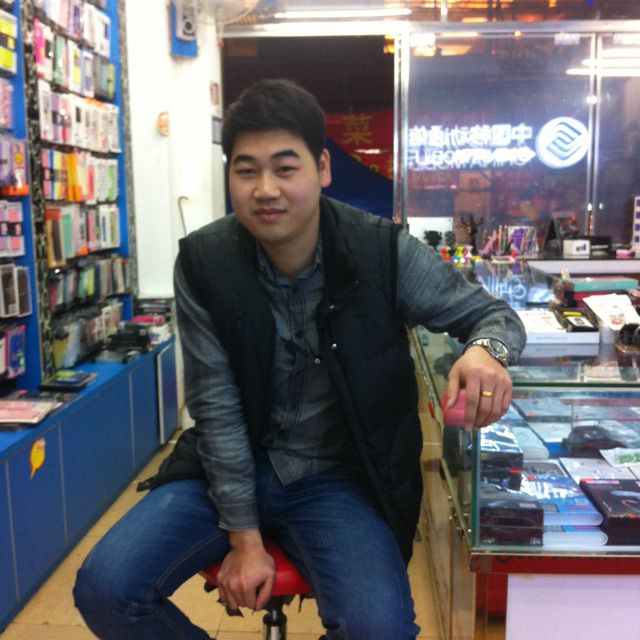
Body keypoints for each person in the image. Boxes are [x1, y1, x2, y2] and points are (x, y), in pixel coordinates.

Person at [73, 78, 526, 640]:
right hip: (220, 470)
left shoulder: (381, 253)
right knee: (106, 588)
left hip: (337, 478)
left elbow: (494, 317)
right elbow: (215, 406)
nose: (266, 189)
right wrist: (244, 538)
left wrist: (486, 351)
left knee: (379, 629)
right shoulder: (205, 263)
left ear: (323, 168)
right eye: (247, 171)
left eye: (285, 168)